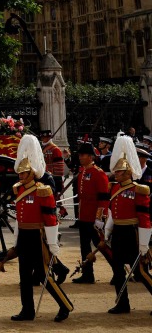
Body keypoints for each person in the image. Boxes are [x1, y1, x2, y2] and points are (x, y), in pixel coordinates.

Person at [0, 134, 72, 323]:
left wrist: (53, 244)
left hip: (38, 236)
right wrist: (15, 243)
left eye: (24, 173)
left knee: (43, 274)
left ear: (32, 173)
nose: (20, 176)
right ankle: (27, 310)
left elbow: (51, 219)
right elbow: (19, 221)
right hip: (24, 236)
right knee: (24, 277)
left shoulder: (42, 190)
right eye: (19, 173)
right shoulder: (18, 189)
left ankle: (65, 305)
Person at [95, 134, 152, 313]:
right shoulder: (115, 188)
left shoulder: (139, 190)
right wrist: (108, 233)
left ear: (128, 172)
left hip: (132, 232)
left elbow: (144, 218)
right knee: (118, 270)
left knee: (140, 272)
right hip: (119, 232)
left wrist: (144, 244)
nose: (115, 173)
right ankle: (122, 302)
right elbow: (113, 213)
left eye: (119, 171)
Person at [71, 141, 109, 284]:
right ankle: (88, 274)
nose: (80, 157)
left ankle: (117, 270)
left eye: (83, 155)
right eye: (80, 155)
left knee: (102, 246)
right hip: (84, 216)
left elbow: (103, 198)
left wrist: (99, 217)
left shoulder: (98, 173)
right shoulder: (83, 172)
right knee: (85, 246)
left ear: (90, 157)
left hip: (94, 217)